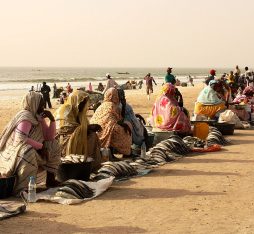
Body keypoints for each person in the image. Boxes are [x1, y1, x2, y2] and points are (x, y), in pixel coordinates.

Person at [0, 92, 61, 194]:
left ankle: (50, 179)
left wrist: (52, 120)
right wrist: (41, 147)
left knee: (54, 144)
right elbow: (21, 138)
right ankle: (24, 187)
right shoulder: (26, 117)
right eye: (41, 104)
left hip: (33, 149)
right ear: (34, 103)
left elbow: (49, 137)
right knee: (27, 150)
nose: (43, 107)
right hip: (15, 153)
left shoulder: (37, 117)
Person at [54, 90, 102, 172]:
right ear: (76, 101)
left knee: (93, 135)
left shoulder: (79, 113)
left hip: (75, 136)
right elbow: (65, 129)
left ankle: (90, 164)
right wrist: (87, 128)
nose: (83, 105)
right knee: (91, 136)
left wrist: (88, 128)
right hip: (64, 140)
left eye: (84, 103)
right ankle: (83, 163)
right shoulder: (65, 109)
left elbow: (80, 128)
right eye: (82, 102)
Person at [90, 88, 132, 155]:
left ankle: (111, 152)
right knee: (126, 126)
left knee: (113, 127)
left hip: (96, 130)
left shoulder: (101, 105)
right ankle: (125, 152)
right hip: (104, 130)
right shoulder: (113, 105)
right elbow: (119, 120)